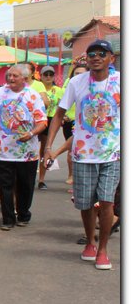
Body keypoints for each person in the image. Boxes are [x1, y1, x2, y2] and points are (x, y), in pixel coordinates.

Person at [45, 40, 120, 270]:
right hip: (83, 154)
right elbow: (58, 115)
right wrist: (49, 147)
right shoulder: (77, 82)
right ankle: (90, 243)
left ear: (111, 59)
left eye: (101, 53)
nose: (95, 57)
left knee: (107, 202)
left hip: (113, 153)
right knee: (86, 204)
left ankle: (103, 250)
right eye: (91, 54)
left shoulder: (119, 82)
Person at [0, 64, 48, 231]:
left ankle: (24, 213)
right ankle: (7, 218)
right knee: (6, 185)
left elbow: (42, 122)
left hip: (27, 152)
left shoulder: (33, 96)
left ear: (25, 79)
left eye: (15, 76)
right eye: (9, 75)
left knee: (25, 185)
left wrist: (31, 133)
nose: (10, 79)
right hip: (3, 151)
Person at [60, 63, 88, 186]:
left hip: (86, 123)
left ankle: (81, 179)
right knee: (71, 149)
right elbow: (62, 101)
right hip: (69, 120)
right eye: (76, 73)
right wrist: (63, 115)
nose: (79, 76)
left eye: (82, 73)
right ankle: (71, 174)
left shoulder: (93, 86)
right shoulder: (70, 84)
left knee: (82, 149)